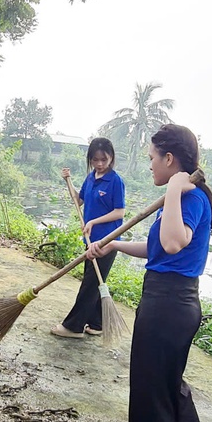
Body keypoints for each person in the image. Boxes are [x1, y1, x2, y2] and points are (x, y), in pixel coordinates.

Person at [87, 124, 212, 422]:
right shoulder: (178, 200)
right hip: (168, 302)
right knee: (167, 387)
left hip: (169, 306)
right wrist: (113, 244)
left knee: (150, 391)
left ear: (170, 159)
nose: (149, 165)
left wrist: (176, 190)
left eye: (152, 158)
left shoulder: (188, 197)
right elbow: (158, 247)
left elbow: (175, 241)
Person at [51, 137, 125, 338]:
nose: (100, 164)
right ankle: (97, 324)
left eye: (104, 159)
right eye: (95, 159)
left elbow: (120, 212)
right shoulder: (91, 177)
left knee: (90, 284)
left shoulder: (115, 181)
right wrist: (69, 181)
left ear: (111, 158)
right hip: (90, 240)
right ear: (90, 159)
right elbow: (79, 199)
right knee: (94, 281)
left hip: (106, 241)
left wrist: (93, 222)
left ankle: (73, 327)